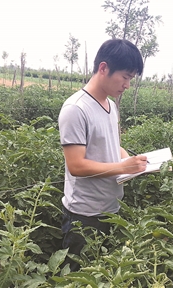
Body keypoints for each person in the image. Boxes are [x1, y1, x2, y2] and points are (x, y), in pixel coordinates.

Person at [58, 38, 148, 270]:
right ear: (103, 68)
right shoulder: (76, 109)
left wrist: (129, 159)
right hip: (84, 215)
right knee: (78, 278)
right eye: (125, 77)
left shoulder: (110, 106)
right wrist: (122, 167)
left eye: (131, 79)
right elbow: (76, 166)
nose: (127, 85)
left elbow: (111, 145)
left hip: (111, 208)